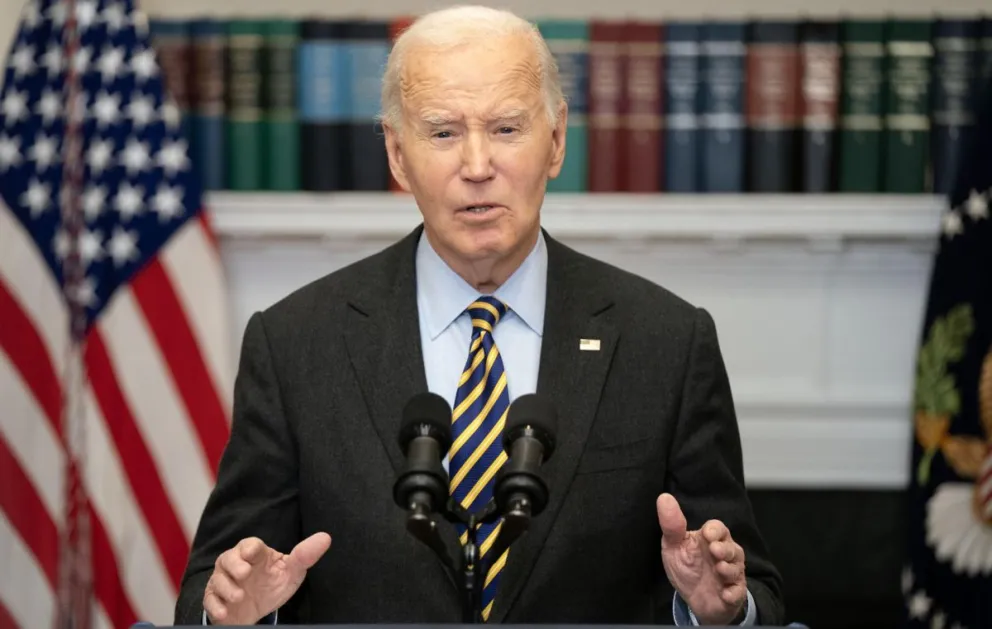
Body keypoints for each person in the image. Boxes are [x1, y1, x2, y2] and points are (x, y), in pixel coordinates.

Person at [174, 5, 785, 626]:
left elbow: (749, 584)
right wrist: (235, 614)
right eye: (442, 132)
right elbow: (215, 582)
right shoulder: (294, 345)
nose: (476, 166)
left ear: (556, 140)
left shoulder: (667, 342)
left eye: (506, 129)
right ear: (395, 153)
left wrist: (718, 612)